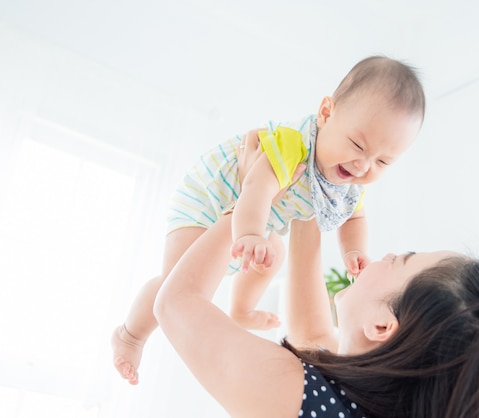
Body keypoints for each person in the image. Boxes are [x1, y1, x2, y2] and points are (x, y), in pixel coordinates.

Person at [111, 55, 425, 384]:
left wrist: (352, 252)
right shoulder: (293, 145)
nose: (363, 165)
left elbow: (354, 218)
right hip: (209, 201)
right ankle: (130, 335)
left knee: (272, 255)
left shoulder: (348, 184)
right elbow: (257, 188)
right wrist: (248, 233)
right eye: (358, 145)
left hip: (258, 216)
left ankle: (241, 309)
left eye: (383, 162)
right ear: (326, 113)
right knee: (176, 281)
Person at [152, 211, 479, 418]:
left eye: (397, 261)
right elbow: (313, 336)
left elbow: (175, 303)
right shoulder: (344, 406)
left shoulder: (295, 395)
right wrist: (310, 206)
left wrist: (247, 211)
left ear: (382, 325)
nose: (383, 256)